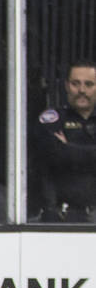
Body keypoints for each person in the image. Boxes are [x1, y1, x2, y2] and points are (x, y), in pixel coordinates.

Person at [34, 59, 96, 223]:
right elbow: (52, 155)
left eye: (89, 84)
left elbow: (62, 153)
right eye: (76, 83)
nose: (82, 90)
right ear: (67, 86)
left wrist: (67, 148)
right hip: (62, 217)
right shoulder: (52, 119)